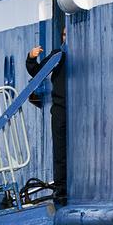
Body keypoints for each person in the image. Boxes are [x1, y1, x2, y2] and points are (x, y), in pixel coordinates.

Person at [26, 27, 67, 206]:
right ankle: (62, 188)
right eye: (64, 34)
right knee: (60, 151)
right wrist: (31, 58)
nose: (67, 38)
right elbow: (37, 71)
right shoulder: (59, 55)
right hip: (60, 109)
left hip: (76, 108)